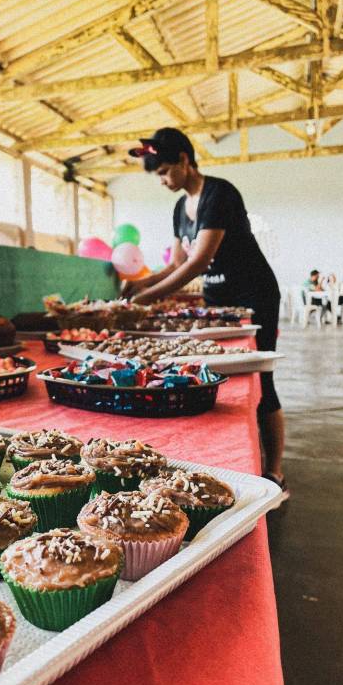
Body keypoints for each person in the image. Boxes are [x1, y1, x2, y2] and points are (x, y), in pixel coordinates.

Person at [123, 128, 288, 501]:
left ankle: (275, 472)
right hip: (217, 303)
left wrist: (145, 299)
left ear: (184, 160)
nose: (163, 181)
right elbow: (176, 264)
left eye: (165, 171)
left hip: (253, 296)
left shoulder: (219, 194)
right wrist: (138, 284)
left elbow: (198, 262)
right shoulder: (180, 208)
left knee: (262, 383)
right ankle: (234, 465)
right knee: (218, 379)